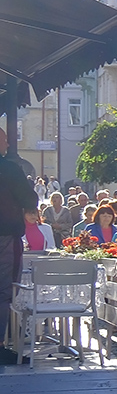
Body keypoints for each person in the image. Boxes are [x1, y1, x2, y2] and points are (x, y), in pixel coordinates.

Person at [0, 129, 36, 336]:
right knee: (5, 288)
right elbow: (29, 200)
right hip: (5, 236)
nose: (7, 145)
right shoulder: (10, 169)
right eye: (4, 140)